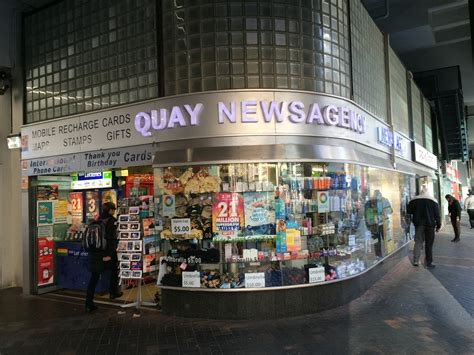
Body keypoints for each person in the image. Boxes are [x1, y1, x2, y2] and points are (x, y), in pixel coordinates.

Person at [85, 202, 122, 313]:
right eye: (113, 209)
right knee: (114, 270)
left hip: (94, 253)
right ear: (110, 210)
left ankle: (88, 303)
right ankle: (113, 292)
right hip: (105, 253)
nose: (114, 211)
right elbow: (111, 240)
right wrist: (110, 255)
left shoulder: (97, 220)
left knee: (94, 278)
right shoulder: (111, 221)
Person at [407, 185, 441, 268]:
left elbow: (409, 211)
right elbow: (437, 214)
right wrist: (438, 225)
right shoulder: (433, 200)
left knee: (418, 242)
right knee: (429, 244)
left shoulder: (414, 200)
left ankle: (416, 260)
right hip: (430, 225)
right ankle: (428, 263)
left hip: (419, 224)